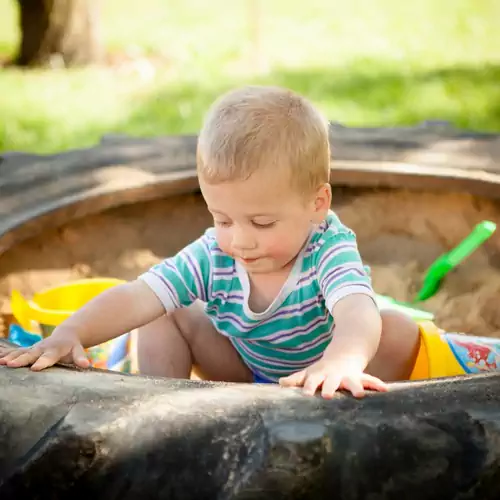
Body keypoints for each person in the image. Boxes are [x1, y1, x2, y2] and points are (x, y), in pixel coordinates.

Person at [0, 85, 421, 399]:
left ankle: (364, 402)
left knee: (398, 330)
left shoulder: (327, 246)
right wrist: (72, 331)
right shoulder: (214, 254)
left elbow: (356, 312)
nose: (240, 240)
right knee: (164, 310)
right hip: (242, 371)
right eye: (222, 218)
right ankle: (159, 398)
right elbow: (137, 295)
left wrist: (342, 360)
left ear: (317, 204)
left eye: (262, 222)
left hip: (323, 376)